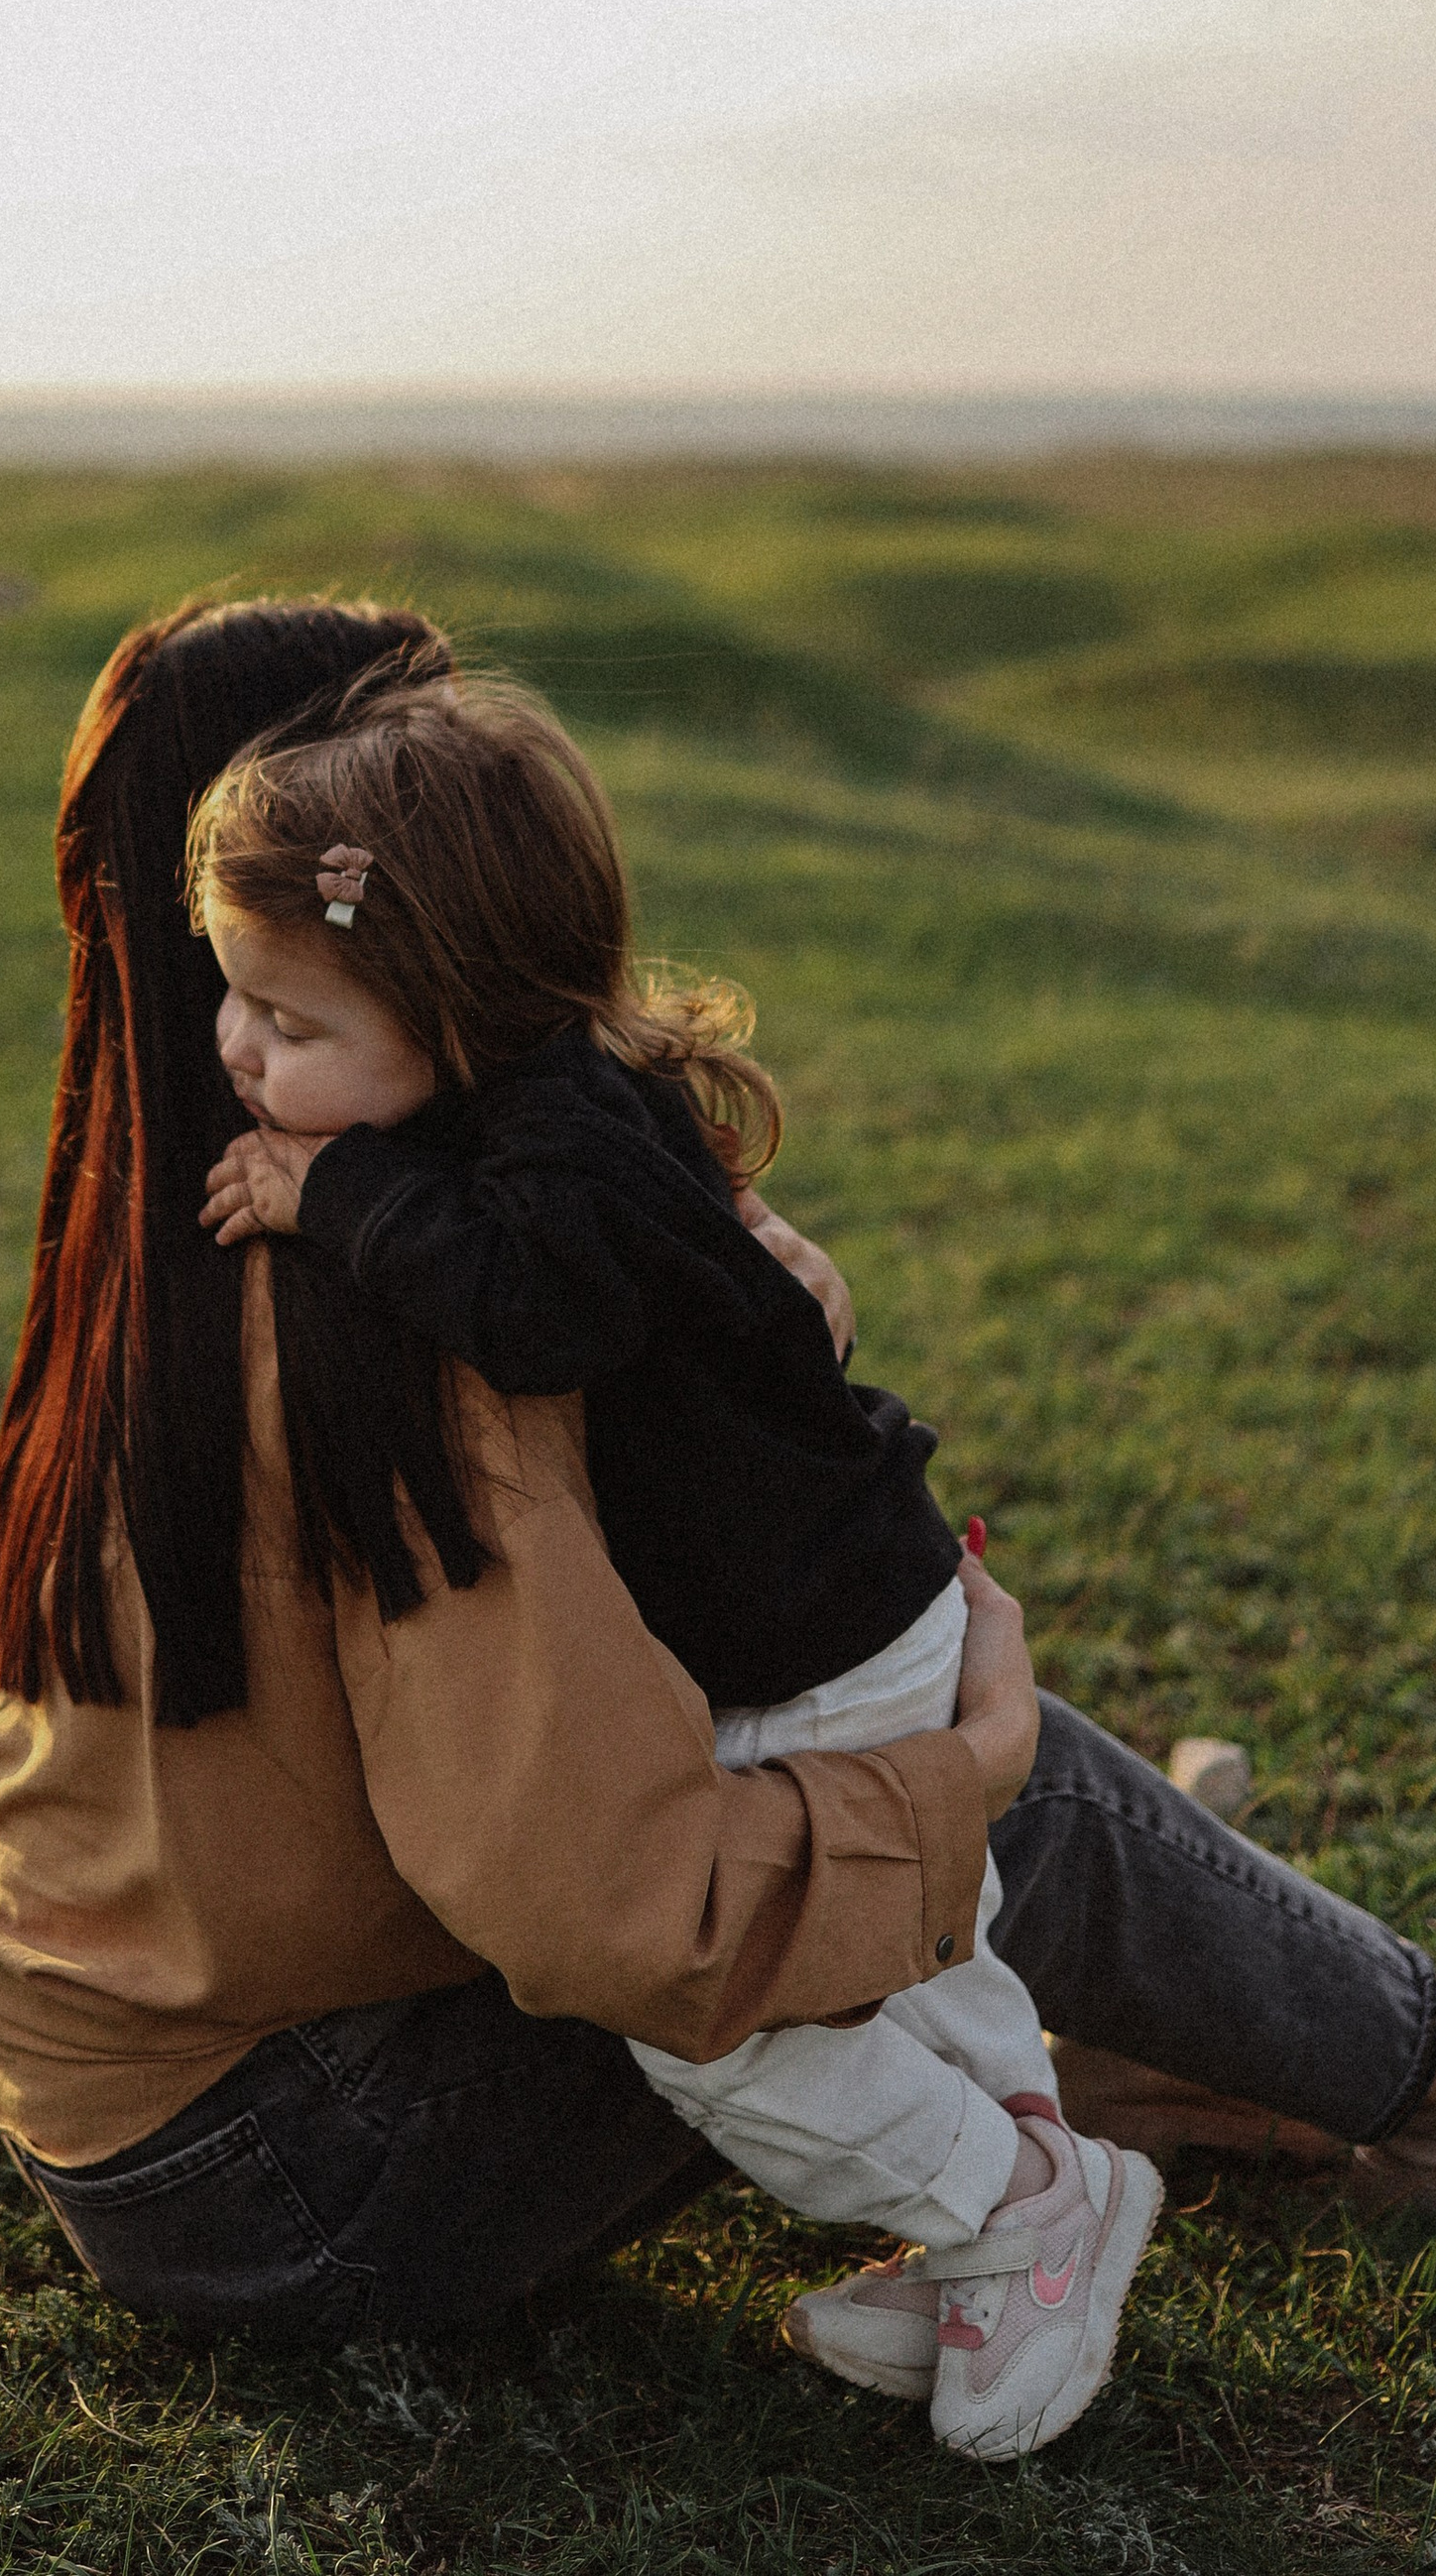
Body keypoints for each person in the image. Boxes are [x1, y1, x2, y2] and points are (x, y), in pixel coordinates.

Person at [0, 597, 1436, 2376]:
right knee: (962, 1763)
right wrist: (961, 1784)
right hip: (307, 2172)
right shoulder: (389, 1324)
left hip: (126, 2087)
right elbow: (604, 1905)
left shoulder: (156, 1217)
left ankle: (1130, 1999)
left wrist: (700, 1253)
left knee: (885, 1765)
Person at [187, 665, 1154, 2456]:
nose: (241, 1053)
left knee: (721, 2009)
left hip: (806, 1641)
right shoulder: (557, 1097)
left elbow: (541, 1310)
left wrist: (339, 1198)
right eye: (233, 1001)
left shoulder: (554, 1148)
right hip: (866, 1591)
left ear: (456, 1005)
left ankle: (1012, 2203)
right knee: (922, 1945)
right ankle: (1010, 2209)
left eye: (287, 1017)